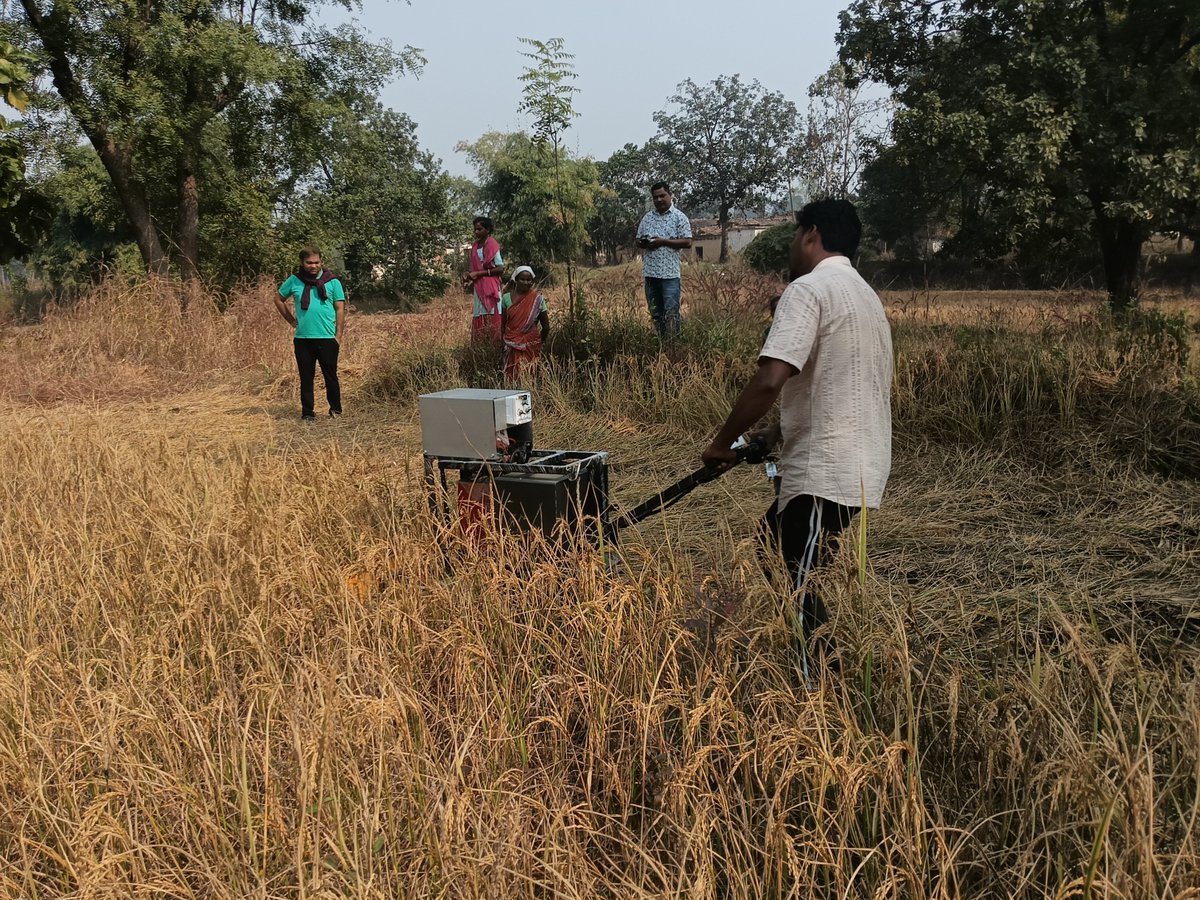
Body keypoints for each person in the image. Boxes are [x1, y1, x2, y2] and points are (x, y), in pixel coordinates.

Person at [701, 199, 892, 672]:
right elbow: (836, 385)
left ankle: (818, 688)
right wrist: (773, 433)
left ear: (811, 235)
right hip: (857, 461)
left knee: (798, 577)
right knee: (772, 548)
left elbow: (770, 378)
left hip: (826, 469)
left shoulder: (808, 289)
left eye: (794, 234)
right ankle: (825, 663)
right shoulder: (864, 294)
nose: (791, 244)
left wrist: (722, 443)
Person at [275, 247, 345, 422]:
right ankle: (308, 412)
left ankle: (335, 409)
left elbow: (340, 308)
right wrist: (291, 320)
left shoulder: (333, 282)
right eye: (309, 262)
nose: (313, 266)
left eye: (316, 262)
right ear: (302, 263)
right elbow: (278, 299)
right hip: (303, 339)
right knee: (306, 376)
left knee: (330, 375)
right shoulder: (295, 281)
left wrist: (338, 335)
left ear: (321, 262)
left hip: (327, 338)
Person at [635, 181, 692, 340]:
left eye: (662, 196)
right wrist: (645, 243)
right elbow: (638, 240)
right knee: (656, 313)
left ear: (670, 195)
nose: (659, 200)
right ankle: (661, 345)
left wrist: (663, 242)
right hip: (651, 275)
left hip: (670, 276)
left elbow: (687, 242)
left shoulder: (679, 217)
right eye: (655, 197)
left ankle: (673, 347)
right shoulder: (647, 218)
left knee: (671, 314)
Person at [501, 265, 550, 382]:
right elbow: (503, 324)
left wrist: (537, 342)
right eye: (522, 279)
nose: (526, 282)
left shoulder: (537, 300)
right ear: (515, 280)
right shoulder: (506, 298)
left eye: (529, 280)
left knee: (530, 374)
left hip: (531, 343)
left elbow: (546, 327)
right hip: (511, 343)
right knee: (511, 375)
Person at [464, 216, 504, 343]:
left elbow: (500, 268)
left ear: (487, 230)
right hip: (479, 287)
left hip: (491, 287)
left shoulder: (492, 244)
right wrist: (470, 276)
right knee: (479, 313)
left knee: (492, 313)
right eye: (475, 229)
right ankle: (481, 347)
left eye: (479, 229)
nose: (476, 232)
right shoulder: (475, 246)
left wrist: (479, 274)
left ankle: (494, 345)